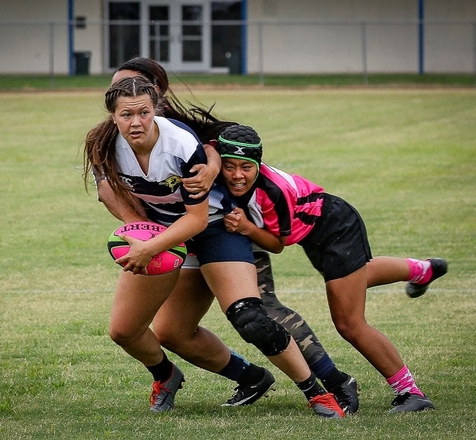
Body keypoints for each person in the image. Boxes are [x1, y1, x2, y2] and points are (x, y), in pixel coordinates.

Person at [97, 57, 360, 414]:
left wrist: (213, 163)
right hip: (167, 233)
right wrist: (139, 230)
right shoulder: (104, 140)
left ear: (156, 96)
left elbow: (206, 196)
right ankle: (245, 377)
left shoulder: (181, 137)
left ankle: (321, 390)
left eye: (142, 107)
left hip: (218, 225)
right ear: (112, 108)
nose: (134, 116)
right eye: (121, 101)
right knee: (154, 332)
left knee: (251, 315)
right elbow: (107, 187)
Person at [216, 124, 448, 412]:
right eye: (229, 166)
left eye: (246, 167)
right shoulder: (229, 172)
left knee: (349, 323)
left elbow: (276, 244)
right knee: (354, 282)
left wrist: (247, 228)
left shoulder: (273, 191)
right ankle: (423, 270)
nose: (237, 175)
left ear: (258, 165)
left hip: (336, 229)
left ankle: (411, 393)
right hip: (316, 234)